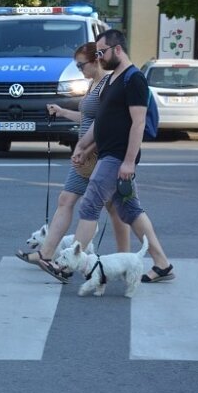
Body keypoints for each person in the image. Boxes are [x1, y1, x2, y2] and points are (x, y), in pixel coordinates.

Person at [59, 29, 174, 283]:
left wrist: (129, 161)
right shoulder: (112, 79)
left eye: (102, 52)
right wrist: (84, 146)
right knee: (131, 210)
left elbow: (138, 122)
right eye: (97, 53)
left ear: (117, 50)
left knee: (90, 205)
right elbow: (101, 121)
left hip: (117, 157)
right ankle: (162, 263)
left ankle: (69, 264)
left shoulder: (134, 80)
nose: (99, 57)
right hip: (106, 154)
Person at [15, 42, 133, 283]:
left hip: (98, 154)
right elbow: (88, 116)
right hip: (86, 154)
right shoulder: (93, 84)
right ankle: (46, 254)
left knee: (117, 210)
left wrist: (87, 147)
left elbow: (107, 123)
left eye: (81, 64)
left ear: (96, 60)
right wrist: (62, 112)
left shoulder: (106, 86)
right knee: (67, 200)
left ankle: (127, 259)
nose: (79, 69)